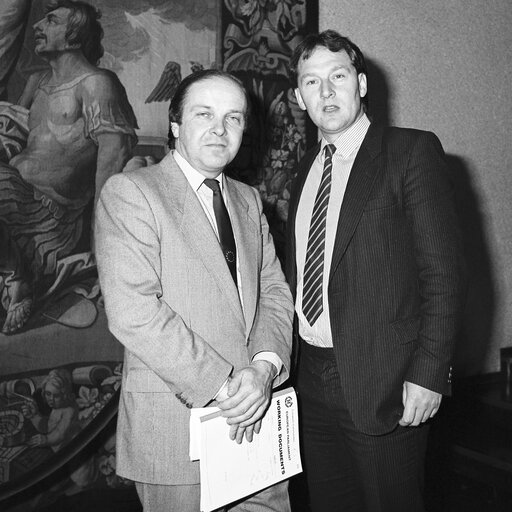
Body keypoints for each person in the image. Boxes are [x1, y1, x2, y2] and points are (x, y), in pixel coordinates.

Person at [95, 69, 294, 512]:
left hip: (259, 423)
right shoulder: (132, 192)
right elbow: (134, 311)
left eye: (234, 118)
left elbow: (275, 292)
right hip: (178, 430)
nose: (220, 129)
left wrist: (263, 370)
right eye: (205, 114)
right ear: (176, 125)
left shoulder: (248, 199)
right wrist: (225, 387)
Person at [285, 30, 466, 512]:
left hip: (386, 384)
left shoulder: (411, 153)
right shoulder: (303, 173)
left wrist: (429, 374)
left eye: (337, 76)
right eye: (311, 81)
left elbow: (444, 277)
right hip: (312, 382)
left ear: (361, 84)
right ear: (299, 98)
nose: (326, 92)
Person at [0, 0, 138, 334]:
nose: (37, 27)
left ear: (75, 35)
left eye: (51, 21)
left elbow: (111, 161)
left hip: (51, 219)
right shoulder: (37, 84)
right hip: (15, 196)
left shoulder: (97, 84)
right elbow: (16, 136)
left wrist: (99, 244)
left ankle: (17, 277)